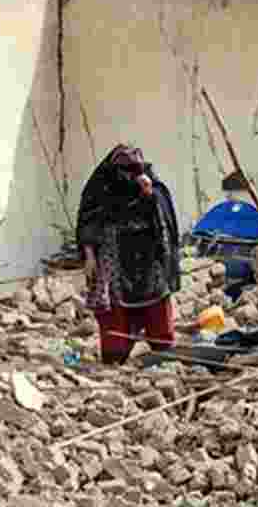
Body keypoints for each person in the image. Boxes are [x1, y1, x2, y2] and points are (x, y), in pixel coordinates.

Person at [74, 144, 181, 365]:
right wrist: (90, 256)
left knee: (157, 307)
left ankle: (164, 356)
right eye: (126, 170)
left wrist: (150, 193)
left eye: (135, 169)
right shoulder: (101, 188)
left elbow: (164, 216)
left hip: (148, 260)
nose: (131, 175)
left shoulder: (151, 183)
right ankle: (115, 360)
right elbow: (88, 222)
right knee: (115, 312)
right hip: (114, 260)